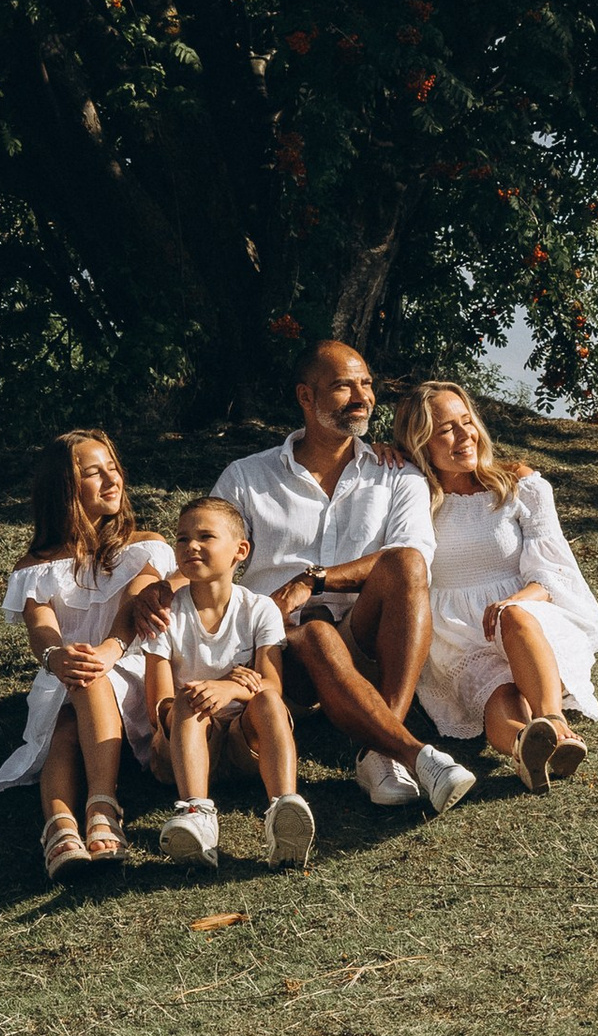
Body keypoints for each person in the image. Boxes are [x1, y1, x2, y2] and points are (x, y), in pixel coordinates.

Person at [202, 340, 476, 817]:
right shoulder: (247, 476)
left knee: (407, 564)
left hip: (362, 639)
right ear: (306, 397)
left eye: (366, 384)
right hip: (275, 649)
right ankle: (406, 752)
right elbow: (206, 551)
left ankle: (378, 753)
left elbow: (415, 554)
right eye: (343, 386)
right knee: (314, 633)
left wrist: (314, 579)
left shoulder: (397, 474)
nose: (361, 396)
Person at [395, 378, 598, 788]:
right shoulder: (414, 496)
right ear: (420, 443)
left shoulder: (517, 484)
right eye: (446, 430)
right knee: (499, 694)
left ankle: (552, 722)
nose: (464, 435)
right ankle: (526, 747)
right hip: (457, 632)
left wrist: (514, 601)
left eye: (467, 421)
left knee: (515, 618)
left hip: (529, 613)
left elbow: (552, 572)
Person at [0, 429, 173, 875]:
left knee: (89, 677)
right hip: (66, 672)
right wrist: (56, 657)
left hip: (130, 665)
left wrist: (108, 650)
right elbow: (41, 629)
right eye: (95, 473)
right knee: (68, 716)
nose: (112, 480)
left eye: (113, 468)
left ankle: (100, 806)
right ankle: (63, 827)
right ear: (64, 487)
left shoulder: (143, 546)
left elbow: (134, 604)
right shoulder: (35, 566)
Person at [138, 496, 316, 872]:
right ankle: (196, 813)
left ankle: (284, 809)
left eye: (205, 536)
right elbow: (158, 707)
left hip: (243, 746)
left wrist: (231, 690)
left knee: (268, 702)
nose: (191, 546)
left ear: (240, 550)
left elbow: (272, 685)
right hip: (181, 748)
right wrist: (212, 688)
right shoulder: (166, 614)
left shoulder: (259, 609)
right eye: (182, 538)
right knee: (186, 701)